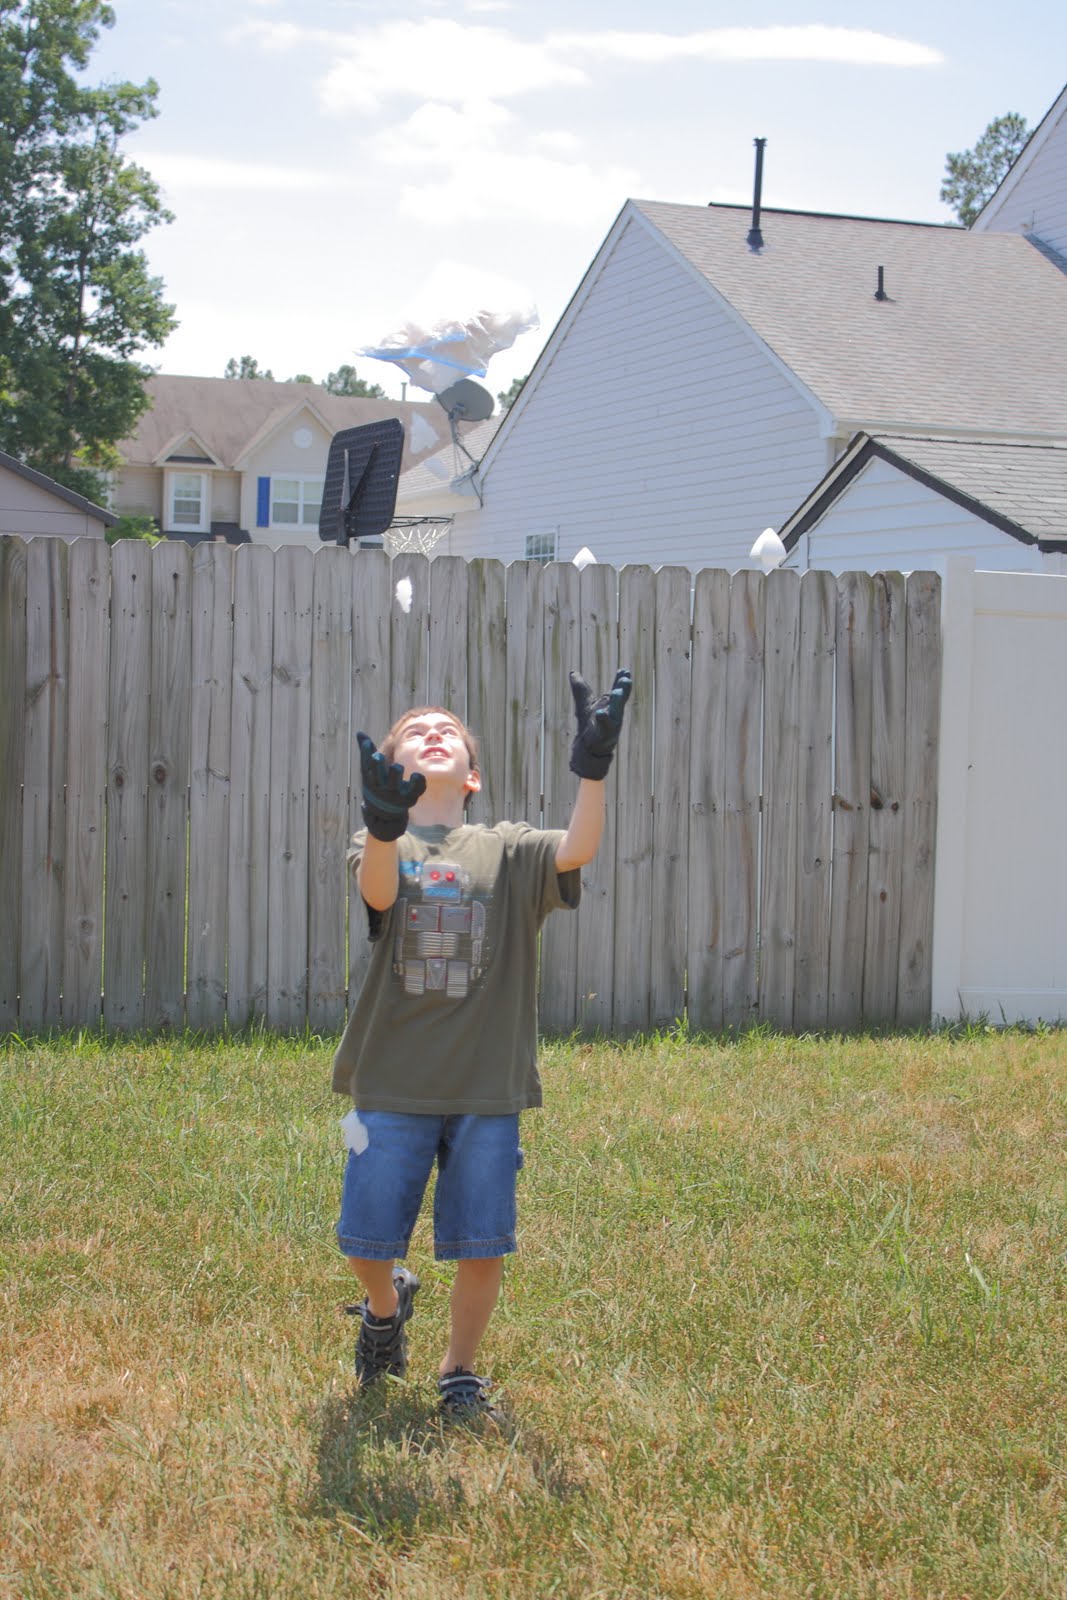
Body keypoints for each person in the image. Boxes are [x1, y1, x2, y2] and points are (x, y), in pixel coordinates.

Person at [332, 669, 632, 1421]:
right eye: (416, 731)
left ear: (473, 775)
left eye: (448, 731)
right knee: (364, 1240)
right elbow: (377, 894)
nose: (433, 733)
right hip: (392, 1080)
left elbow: (578, 848)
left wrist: (592, 769)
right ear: (392, 770)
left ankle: (458, 1371)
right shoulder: (381, 842)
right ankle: (384, 1306)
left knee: (481, 1243)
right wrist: (381, 825)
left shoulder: (509, 849)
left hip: (487, 1087)